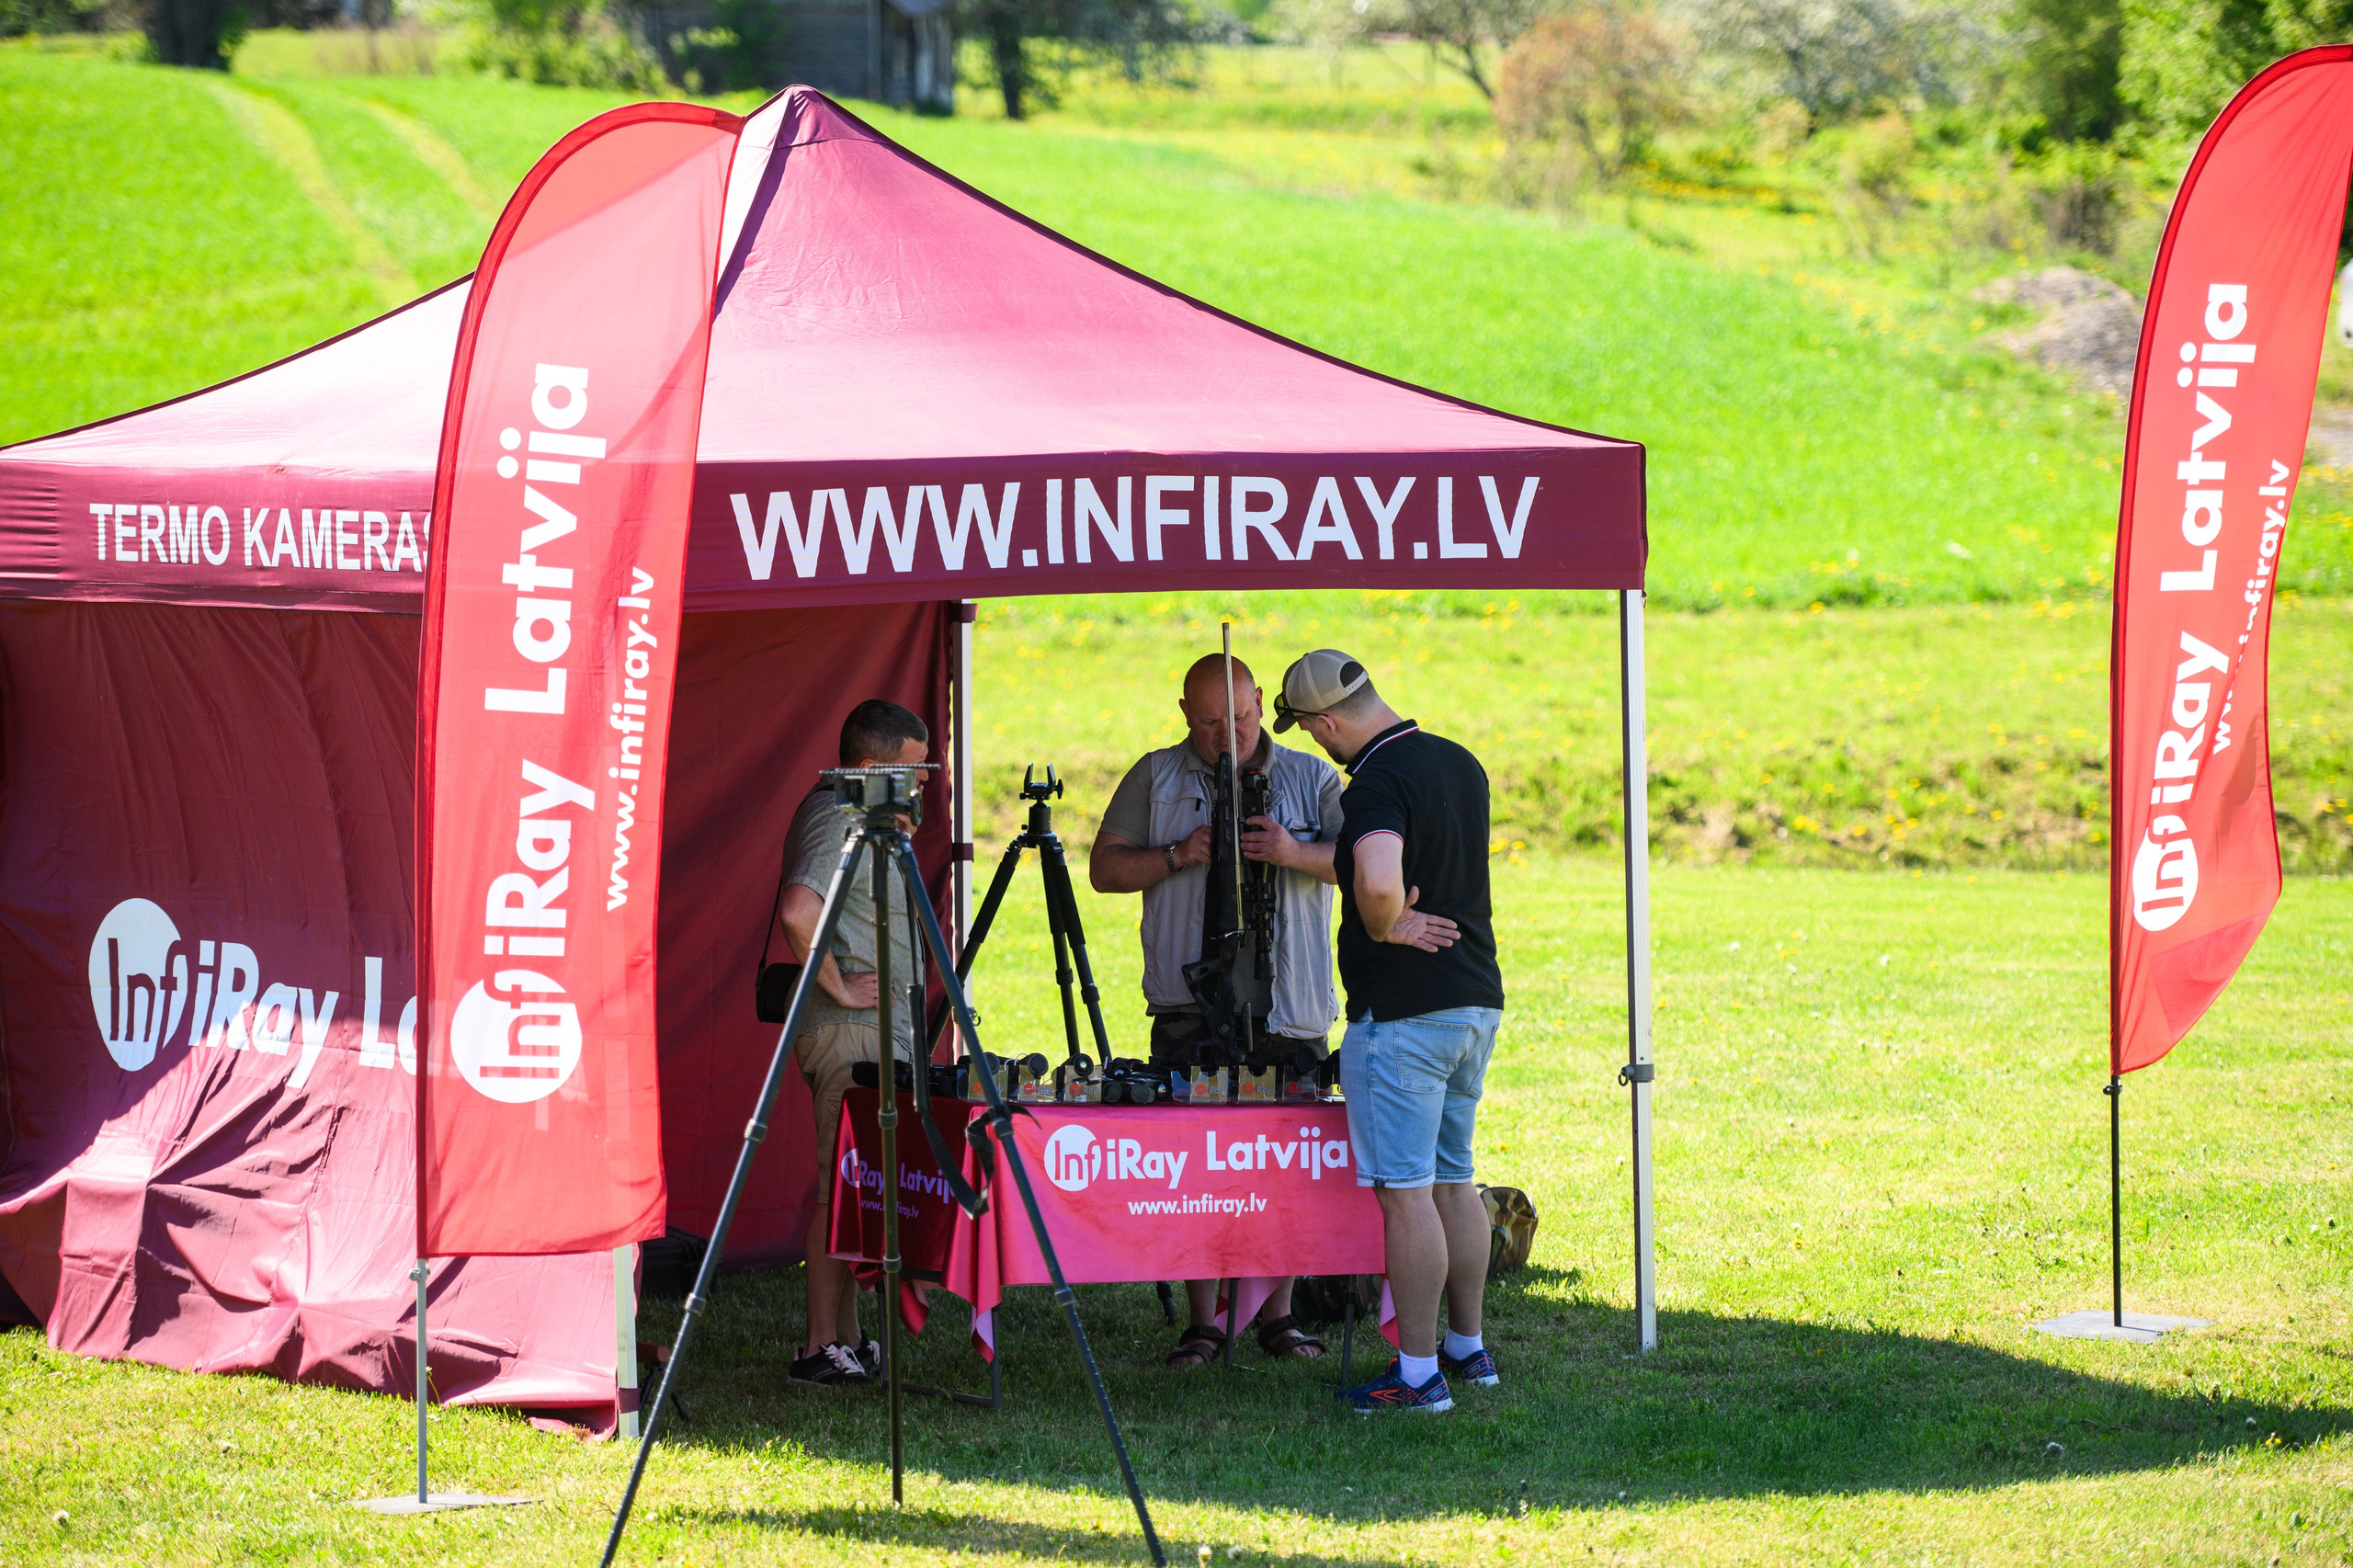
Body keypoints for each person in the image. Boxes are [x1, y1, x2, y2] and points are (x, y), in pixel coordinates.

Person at [1090, 651, 1345, 1369]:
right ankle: (1204, 1322)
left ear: (1261, 702)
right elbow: (1105, 870)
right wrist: (1178, 853)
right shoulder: (1155, 774)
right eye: (1208, 722)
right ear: (1183, 715)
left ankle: (1279, 1315)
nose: (1226, 735)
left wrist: (1295, 854)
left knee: (1287, 1169)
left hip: (1289, 1010)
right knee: (1192, 1171)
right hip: (1186, 1008)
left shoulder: (1312, 776)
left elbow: (1363, 860)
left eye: (1237, 716)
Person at [1274, 649, 1504, 1415]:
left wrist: (1389, 924)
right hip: (1475, 1002)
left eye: (1310, 732)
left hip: (1404, 1017)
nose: (1315, 745)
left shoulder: (1374, 780)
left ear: (1328, 722)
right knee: (1454, 1180)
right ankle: (1467, 1351)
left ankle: (1415, 1377)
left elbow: (1376, 878)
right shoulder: (1457, 760)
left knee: (1405, 1196)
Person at [776, 698, 930, 1388]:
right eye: (911, 769)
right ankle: (816, 1346)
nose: (922, 781)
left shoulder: (865, 821)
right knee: (837, 1186)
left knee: (857, 1184)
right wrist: (838, 987)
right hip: (850, 1030)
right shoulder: (840, 815)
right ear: (871, 767)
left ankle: (847, 1338)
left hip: (874, 1029)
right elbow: (798, 911)